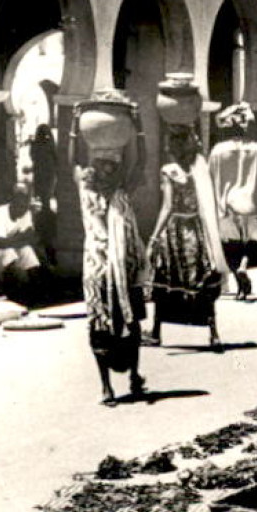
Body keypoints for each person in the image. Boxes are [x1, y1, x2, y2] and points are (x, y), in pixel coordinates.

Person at [70, 97, 150, 405]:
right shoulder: (86, 191)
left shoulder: (122, 191)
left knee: (130, 324)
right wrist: (75, 126)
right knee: (99, 324)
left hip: (123, 266)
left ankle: (132, 376)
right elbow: (72, 162)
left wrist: (138, 124)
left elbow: (140, 162)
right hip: (99, 267)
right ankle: (106, 386)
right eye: (103, 165)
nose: (108, 169)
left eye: (113, 166)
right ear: (94, 169)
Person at [144, 122, 229, 351]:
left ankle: (155, 332)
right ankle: (213, 333)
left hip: (175, 232)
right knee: (201, 280)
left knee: (166, 281)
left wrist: (153, 238)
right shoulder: (198, 169)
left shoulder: (169, 171)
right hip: (196, 230)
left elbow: (167, 206)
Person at [209, 102, 257, 299]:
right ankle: (244, 268)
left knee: (231, 247)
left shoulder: (217, 151)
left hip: (225, 206)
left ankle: (238, 274)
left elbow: (210, 179)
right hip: (250, 205)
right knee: (249, 245)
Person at [27, 123, 59, 265]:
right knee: (44, 202)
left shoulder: (37, 147)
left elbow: (33, 156)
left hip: (42, 178)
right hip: (46, 178)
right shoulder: (49, 147)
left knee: (43, 202)